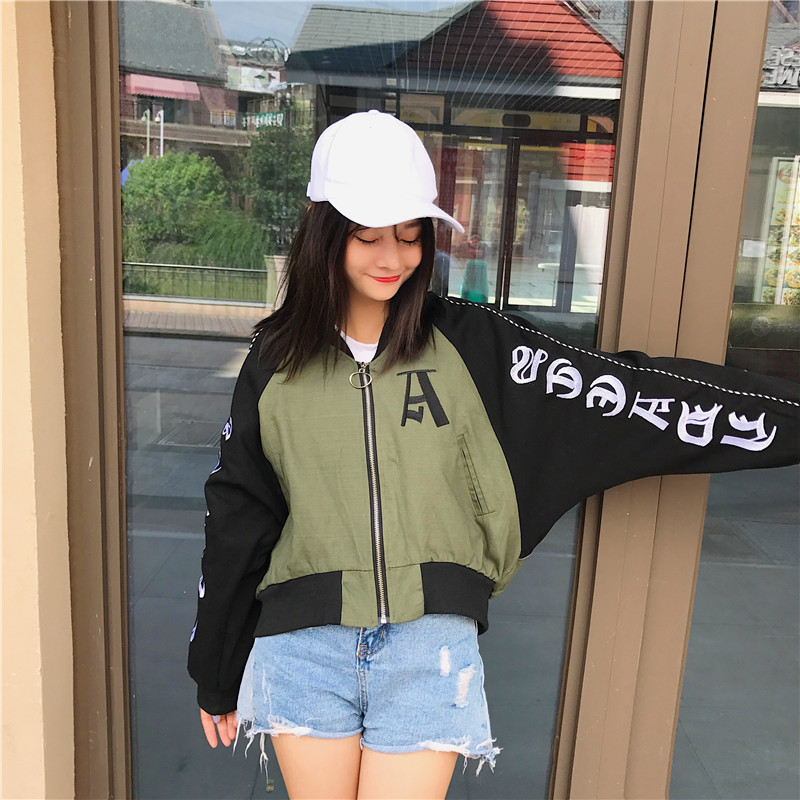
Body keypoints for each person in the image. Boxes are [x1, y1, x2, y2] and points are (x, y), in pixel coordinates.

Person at [188, 110, 800, 799]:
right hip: (303, 646)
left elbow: (626, 392)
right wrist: (215, 667)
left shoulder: (474, 347)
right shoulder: (274, 361)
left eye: (410, 235)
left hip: (429, 649)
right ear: (320, 227)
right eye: (367, 236)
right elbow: (238, 515)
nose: (393, 259)